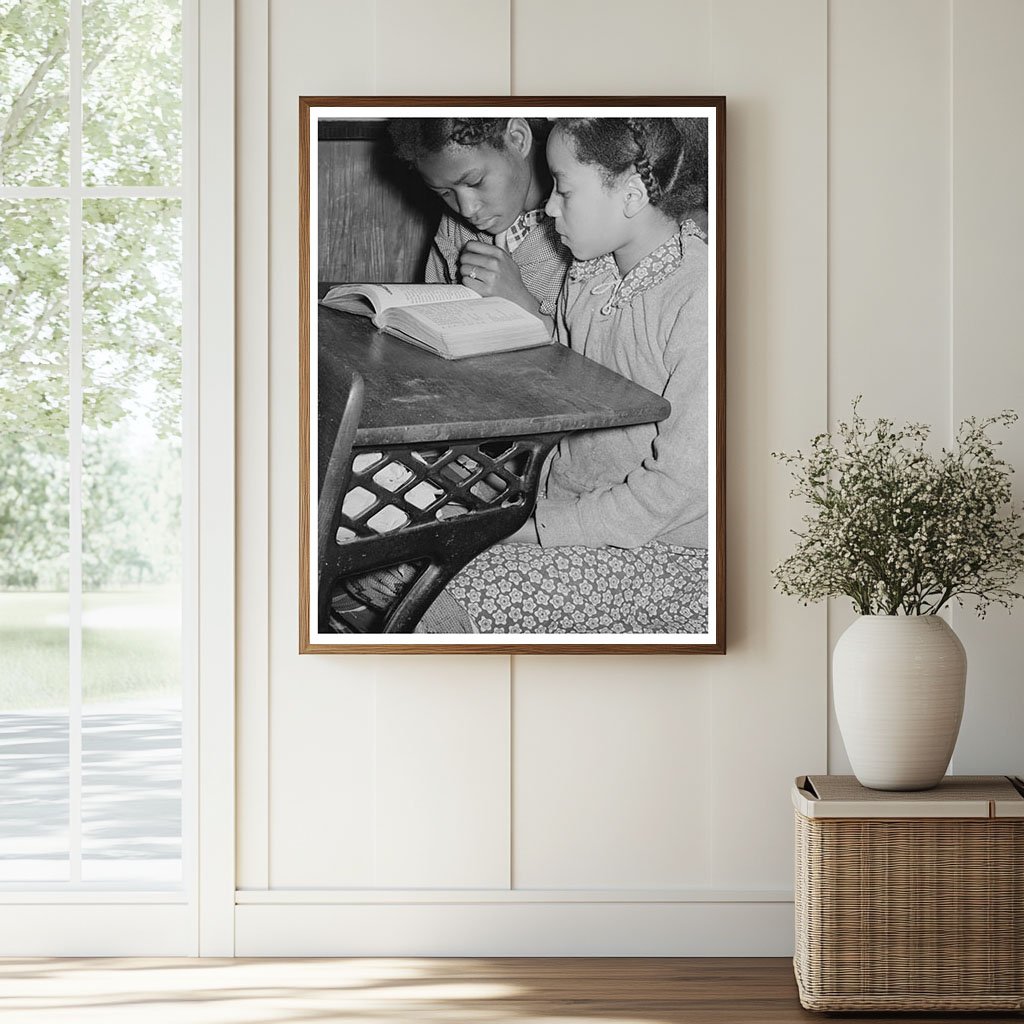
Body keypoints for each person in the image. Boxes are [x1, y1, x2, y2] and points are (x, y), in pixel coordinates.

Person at [434, 117, 711, 634]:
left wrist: (530, 529)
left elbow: (682, 489)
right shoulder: (593, 273)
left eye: (563, 188)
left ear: (631, 194)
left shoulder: (700, 296)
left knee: (444, 598)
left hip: (669, 551)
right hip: (571, 511)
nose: (551, 207)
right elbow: (573, 368)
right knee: (408, 568)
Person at [387, 117, 571, 329]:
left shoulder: (583, 231)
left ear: (517, 139)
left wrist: (520, 302)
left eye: (475, 182)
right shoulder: (454, 227)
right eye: (445, 193)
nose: (466, 209)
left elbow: (592, 356)